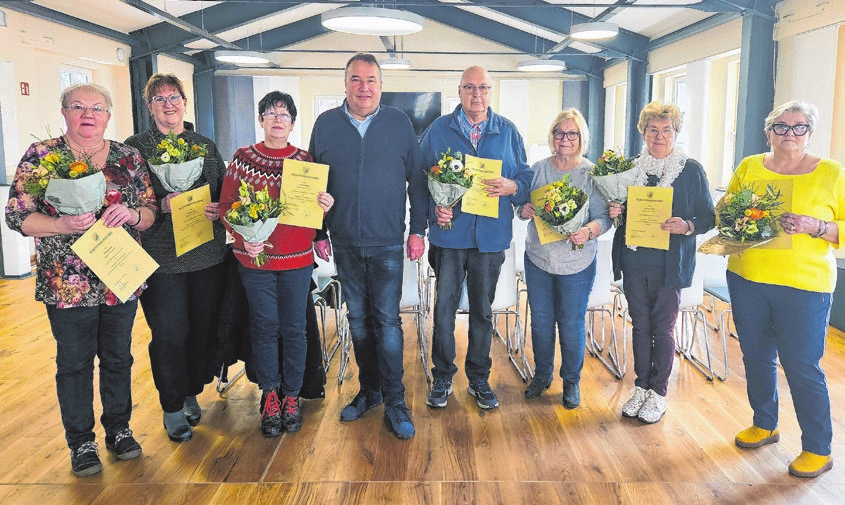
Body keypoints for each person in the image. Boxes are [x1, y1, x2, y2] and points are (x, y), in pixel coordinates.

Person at [5, 83, 156, 477]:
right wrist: (60, 223)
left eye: (97, 108)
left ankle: (119, 429)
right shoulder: (43, 157)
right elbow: (17, 216)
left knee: (119, 357)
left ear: (108, 115)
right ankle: (81, 441)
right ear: (64, 113)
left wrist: (133, 215)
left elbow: (150, 211)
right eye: (78, 107)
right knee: (74, 363)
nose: (88, 114)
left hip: (119, 275)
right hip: (67, 282)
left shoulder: (128, 157)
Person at [308, 53, 427, 439]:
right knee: (357, 322)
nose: (364, 87)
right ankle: (371, 391)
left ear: (380, 84)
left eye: (371, 80)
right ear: (345, 84)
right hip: (343, 242)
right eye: (356, 79)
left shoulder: (399, 123)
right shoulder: (325, 125)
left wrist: (417, 230)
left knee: (388, 324)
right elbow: (313, 185)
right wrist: (318, 232)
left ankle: (395, 400)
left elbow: (418, 181)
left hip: (388, 242)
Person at [728, 101, 843, 478]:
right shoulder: (749, 167)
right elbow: (728, 210)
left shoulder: (831, 173)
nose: (789, 133)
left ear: (811, 132)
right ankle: (765, 422)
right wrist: (735, 218)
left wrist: (816, 226)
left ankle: (818, 447)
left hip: (804, 287)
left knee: (801, 365)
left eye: (799, 126)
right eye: (781, 126)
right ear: (768, 133)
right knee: (756, 357)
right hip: (747, 279)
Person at [219, 90, 334, 438]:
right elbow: (226, 207)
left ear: (293, 123)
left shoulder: (305, 160)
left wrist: (324, 204)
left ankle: (292, 396)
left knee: (295, 331)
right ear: (261, 119)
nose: (278, 120)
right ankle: (269, 395)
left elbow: (313, 213)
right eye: (271, 113)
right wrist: (242, 238)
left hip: (298, 260)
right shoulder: (242, 159)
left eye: (284, 115)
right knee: (266, 329)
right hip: (255, 262)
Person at [421, 65, 533, 411]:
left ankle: (479, 378)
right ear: (459, 91)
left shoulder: (508, 132)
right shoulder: (438, 130)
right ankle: (442, 376)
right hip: (449, 237)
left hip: (490, 240)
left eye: (483, 87)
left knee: (483, 311)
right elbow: (421, 178)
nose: (477, 94)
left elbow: (525, 176)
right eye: (470, 88)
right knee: (443, 311)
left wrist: (513, 187)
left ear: (490, 91)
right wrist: (433, 211)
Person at [124, 73, 228, 443]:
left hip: (207, 255)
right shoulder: (135, 148)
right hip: (161, 259)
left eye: (174, 96)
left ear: (185, 101)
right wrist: (159, 205)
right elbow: (126, 199)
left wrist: (220, 208)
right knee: (169, 334)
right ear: (149, 106)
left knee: (201, 331)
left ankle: (189, 392)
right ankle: (171, 406)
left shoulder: (203, 144)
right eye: (160, 98)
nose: (169, 104)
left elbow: (224, 190)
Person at [609, 101, 714, 424]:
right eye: (653, 129)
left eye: (666, 130)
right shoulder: (629, 168)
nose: (659, 136)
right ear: (642, 132)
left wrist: (686, 225)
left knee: (663, 329)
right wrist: (617, 213)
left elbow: (709, 217)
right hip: (634, 259)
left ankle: (658, 393)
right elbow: (621, 212)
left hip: (671, 263)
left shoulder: (690, 169)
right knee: (639, 326)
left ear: (676, 132)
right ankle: (640, 386)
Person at [518, 109, 611, 408]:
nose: (565, 139)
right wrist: (524, 210)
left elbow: (603, 218)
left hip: (577, 263)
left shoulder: (591, 173)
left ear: (581, 138)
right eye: (560, 133)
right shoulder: (538, 169)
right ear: (552, 136)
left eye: (572, 133)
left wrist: (588, 231)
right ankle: (542, 375)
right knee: (541, 323)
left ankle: (571, 381)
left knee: (570, 323)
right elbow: (520, 206)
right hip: (539, 259)